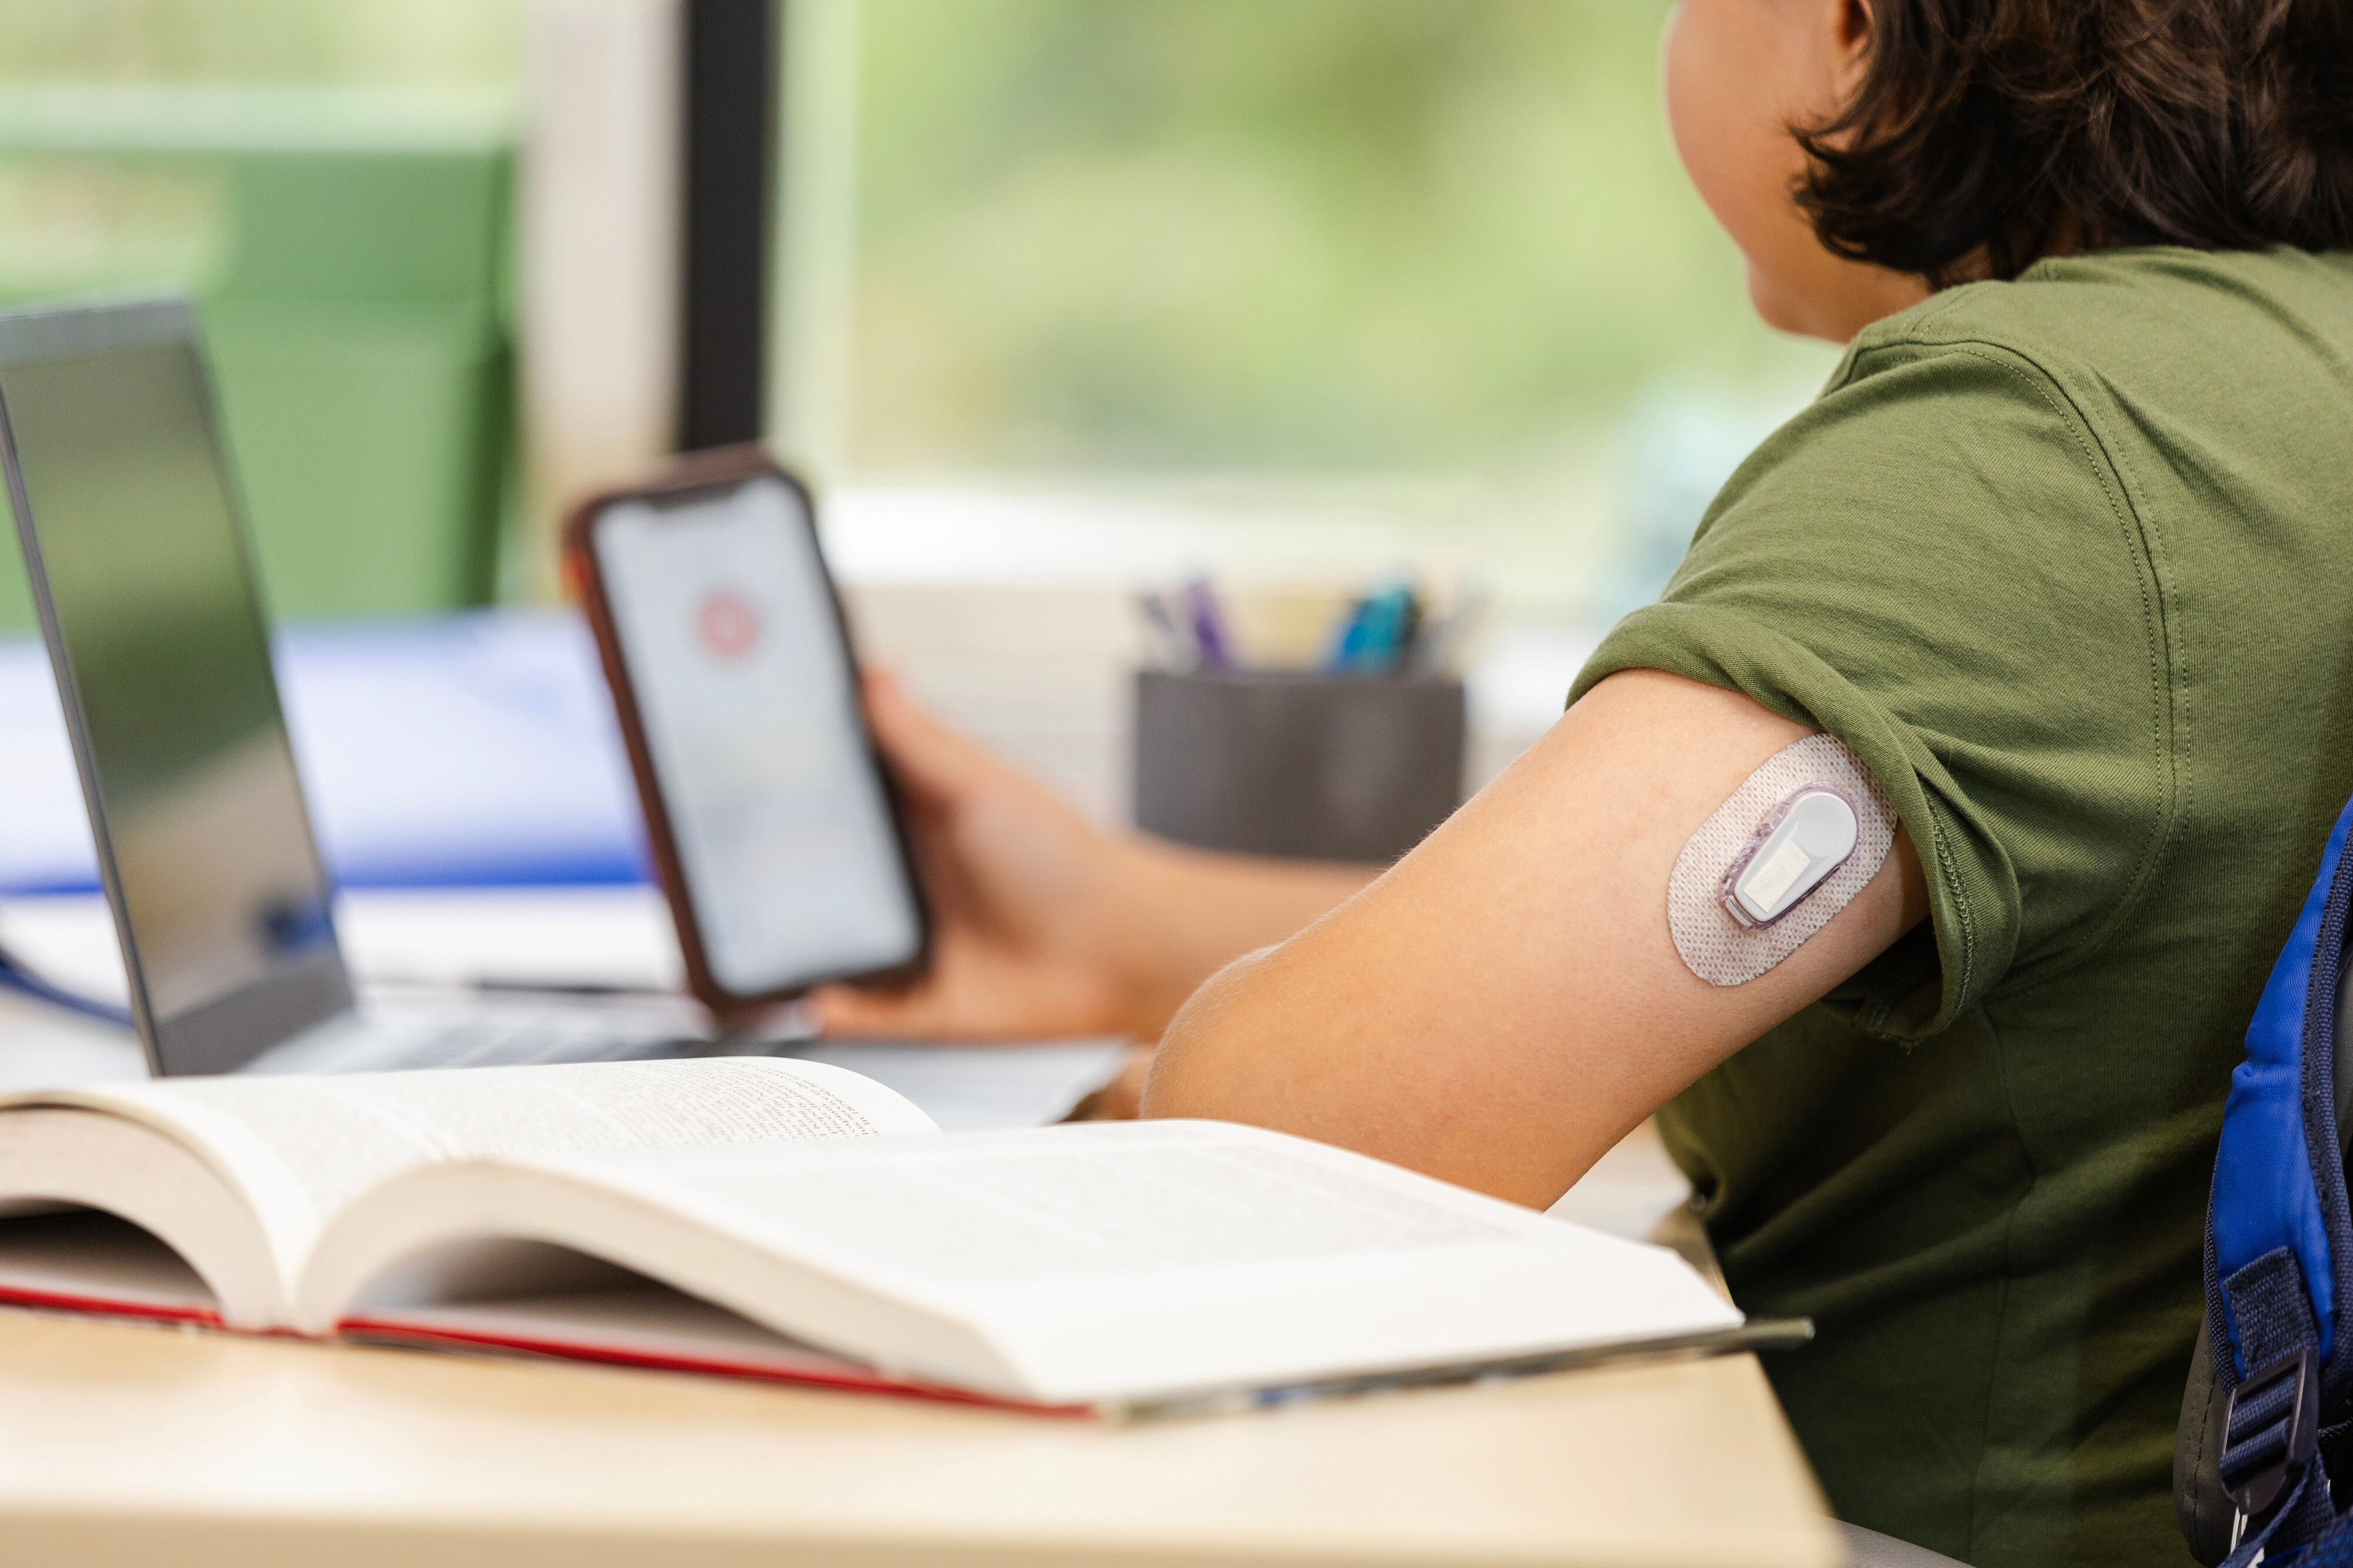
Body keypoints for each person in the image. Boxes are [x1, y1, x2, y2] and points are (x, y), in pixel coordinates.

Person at [810, 2, 2353, 1563]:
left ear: (1856, 22)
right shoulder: (2289, 386)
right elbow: (1738, 965)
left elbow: (1270, 1154)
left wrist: (1168, 1074)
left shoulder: (2030, 446)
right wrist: (1120, 924)